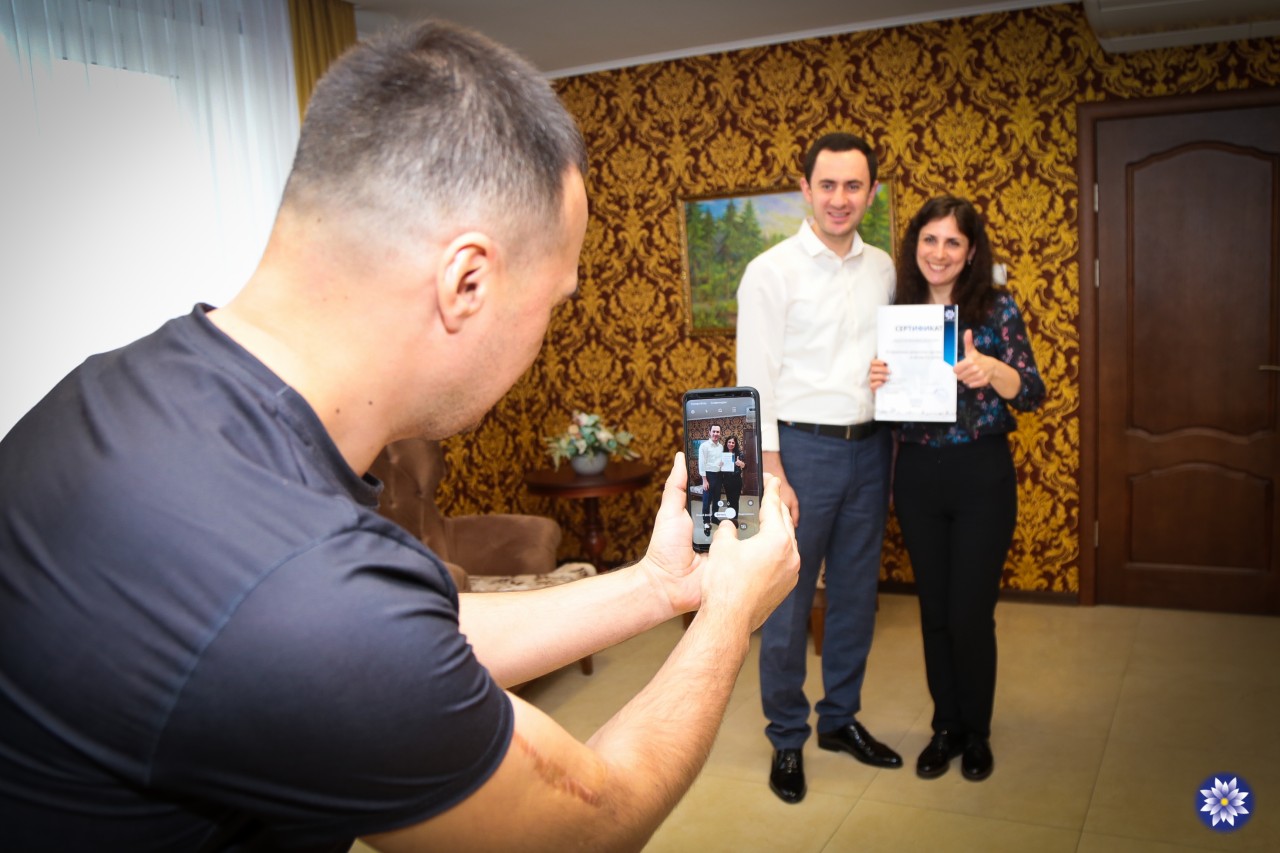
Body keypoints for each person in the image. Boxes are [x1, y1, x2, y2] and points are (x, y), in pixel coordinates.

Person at [0, 21, 801, 852]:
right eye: (554, 302)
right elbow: (588, 827)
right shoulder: (302, 585)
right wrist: (729, 611)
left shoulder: (113, 388)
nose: (545, 334)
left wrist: (661, 586)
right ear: (467, 281)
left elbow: (412, 640)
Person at [736, 132, 900, 805]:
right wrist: (773, 471)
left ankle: (839, 720)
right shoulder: (770, 271)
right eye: (827, 185)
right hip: (799, 452)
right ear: (805, 188)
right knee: (787, 600)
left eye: (853, 186)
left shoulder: (884, 268)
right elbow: (755, 380)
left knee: (856, 595)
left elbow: (892, 357)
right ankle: (786, 736)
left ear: (871, 192)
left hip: (872, 447)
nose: (839, 198)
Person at [869, 195, 1045, 781]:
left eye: (952, 242)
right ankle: (945, 726)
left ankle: (977, 732)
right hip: (919, 475)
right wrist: (878, 379)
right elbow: (892, 406)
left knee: (970, 615)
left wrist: (992, 370)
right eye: (930, 239)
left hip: (980, 476)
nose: (939, 252)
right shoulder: (899, 313)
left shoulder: (994, 308)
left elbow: (1032, 391)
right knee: (936, 613)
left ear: (970, 253)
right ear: (914, 245)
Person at [697, 422, 728, 535]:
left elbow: (721, 461)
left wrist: (723, 463)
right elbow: (701, 463)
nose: (715, 433)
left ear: (720, 433)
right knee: (706, 501)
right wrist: (704, 480)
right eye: (713, 431)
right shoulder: (704, 446)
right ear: (709, 432)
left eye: (717, 432)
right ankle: (706, 522)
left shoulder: (721, 447)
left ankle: (714, 518)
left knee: (716, 499)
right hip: (708, 476)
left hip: (719, 476)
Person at [721, 435, 747, 523]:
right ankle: (730, 517)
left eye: (733, 442)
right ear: (726, 443)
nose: (731, 444)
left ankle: (734, 520)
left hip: (736, 480)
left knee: (735, 501)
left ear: (735, 444)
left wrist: (741, 464)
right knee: (729, 500)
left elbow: (745, 466)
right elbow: (720, 468)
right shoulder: (723, 454)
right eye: (729, 442)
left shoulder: (739, 454)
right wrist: (720, 465)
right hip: (726, 480)